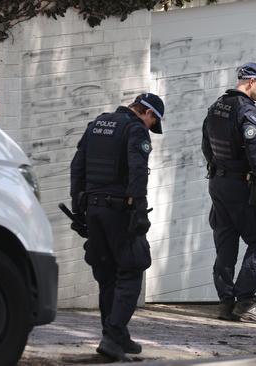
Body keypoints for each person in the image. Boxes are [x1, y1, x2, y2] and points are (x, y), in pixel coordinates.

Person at [70, 93, 165, 361]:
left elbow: (77, 168)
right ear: (147, 113)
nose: (150, 127)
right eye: (152, 122)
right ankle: (112, 337)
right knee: (132, 270)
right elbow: (137, 171)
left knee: (107, 274)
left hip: (94, 209)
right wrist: (139, 211)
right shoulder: (135, 130)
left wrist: (79, 211)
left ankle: (117, 335)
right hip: (119, 211)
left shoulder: (96, 125)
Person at [201, 62, 256, 324]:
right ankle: (246, 302)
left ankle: (226, 304)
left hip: (218, 184)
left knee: (225, 242)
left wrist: (220, 171)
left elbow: (206, 147)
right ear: (250, 81)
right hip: (242, 187)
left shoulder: (217, 106)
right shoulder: (246, 111)